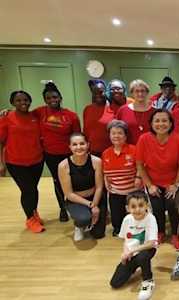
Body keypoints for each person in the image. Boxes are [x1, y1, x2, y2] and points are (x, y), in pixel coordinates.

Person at [136, 109, 179, 250]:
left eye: (165, 120)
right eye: (157, 121)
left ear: (171, 123)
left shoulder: (178, 139)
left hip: (172, 181)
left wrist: (176, 184)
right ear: (151, 123)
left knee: (173, 205)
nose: (161, 124)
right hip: (153, 181)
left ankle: (176, 235)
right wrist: (149, 185)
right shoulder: (144, 139)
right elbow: (140, 164)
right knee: (156, 206)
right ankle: (159, 232)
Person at [35, 82, 81, 222]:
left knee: (73, 181)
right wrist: (6, 111)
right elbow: (22, 114)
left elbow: (77, 135)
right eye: (48, 98)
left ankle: (76, 205)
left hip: (69, 155)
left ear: (60, 98)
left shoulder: (71, 115)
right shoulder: (39, 112)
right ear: (45, 100)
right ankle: (63, 208)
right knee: (58, 181)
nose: (52, 100)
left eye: (55, 97)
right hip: (50, 155)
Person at [0, 91, 45, 233]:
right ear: (13, 103)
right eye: (18, 100)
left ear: (30, 101)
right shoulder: (6, 118)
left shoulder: (35, 116)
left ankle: (34, 212)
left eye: (25, 99)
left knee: (33, 188)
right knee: (28, 190)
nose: (22, 103)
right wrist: (0, 163)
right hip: (16, 162)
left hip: (36, 160)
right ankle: (30, 219)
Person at [110, 190, 158, 300]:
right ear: (128, 208)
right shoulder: (127, 219)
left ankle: (148, 281)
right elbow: (126, 240)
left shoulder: (150, 219)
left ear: (147, 205)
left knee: (143, 256)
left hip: (147, 249)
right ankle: (135, 266)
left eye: (141, 205)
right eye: (133, 206)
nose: (137, 209)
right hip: (132, 252)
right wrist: (125, 253)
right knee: (115, 283)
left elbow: (151, 243)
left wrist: (132, 251)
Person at [58, 133, 106, 241]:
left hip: (95, 197)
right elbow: (69, 194)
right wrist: (91, 205)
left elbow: (99, 187)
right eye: (74, 144)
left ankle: (90, 220)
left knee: (98, 234)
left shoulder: (96, 161)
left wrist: (95, 204)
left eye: (82, 143)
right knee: (84, 218)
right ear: (69, 147)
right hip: (76, 200)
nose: (79, 147)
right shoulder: (63, 166)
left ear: (88, 145)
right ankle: (79, 225)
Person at [102, 120, 141, 236]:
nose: (116, 136)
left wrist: (138, 177)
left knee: (136, 215)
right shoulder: (106, 153)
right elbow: (104, 171)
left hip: (132, 190)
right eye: (113, 133)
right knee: (116, 217)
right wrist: (106, 180)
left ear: (125, 136)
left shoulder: (134, 149)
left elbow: (140, 166)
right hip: (115, 192)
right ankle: (118, 227)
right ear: (109, 136)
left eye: (120, 133)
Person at [116, 79, 155, 145]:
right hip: (128, 149)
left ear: (147, 92)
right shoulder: (123, 110)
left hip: (150, 149)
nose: (140, 94)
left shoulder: (155, 111)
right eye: (136, 91)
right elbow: (117, 130)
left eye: (143, 91)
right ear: (132, 93)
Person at [83, 79, 111, 157]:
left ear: (106, 91)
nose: (98, 95)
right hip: (92, 152)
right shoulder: (87, 109)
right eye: (95, 93)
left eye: (101, 92)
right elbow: (86, 131)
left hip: (110, 152)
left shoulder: (113, 109)